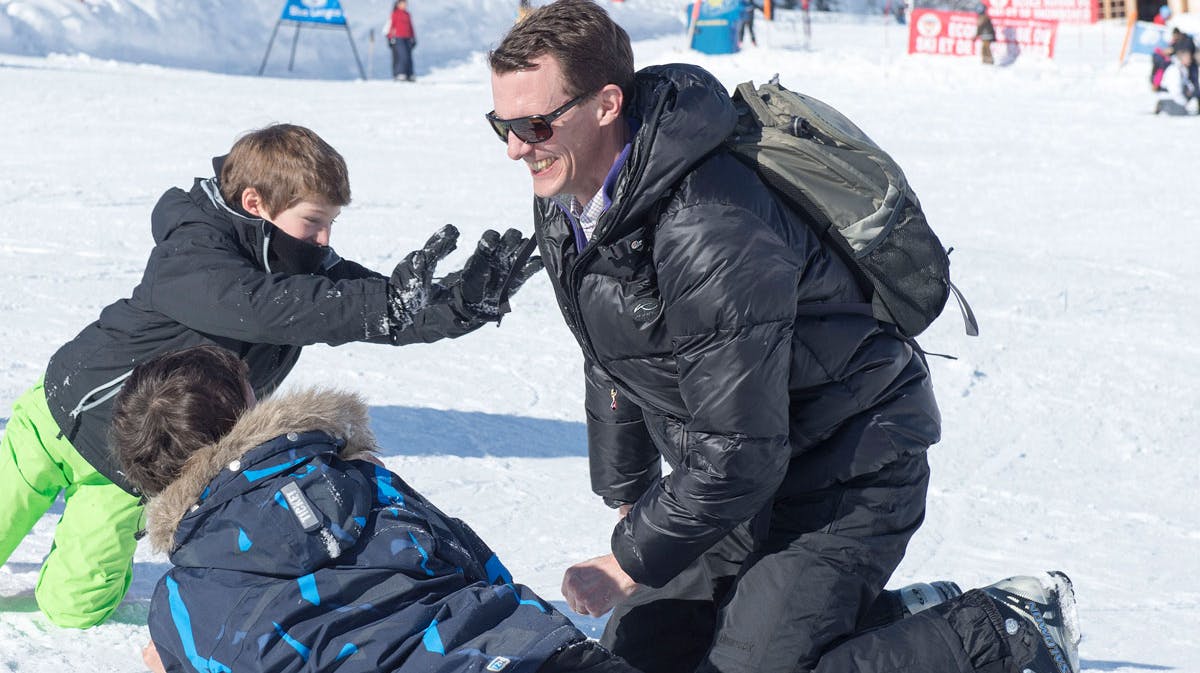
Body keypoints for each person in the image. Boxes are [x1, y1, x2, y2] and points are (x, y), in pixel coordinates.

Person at [485, 1, 1078, 672]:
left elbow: (742, 449)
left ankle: (1005, 628)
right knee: (635, 656)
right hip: (741, 480)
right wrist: (628, 486)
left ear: (606, 104)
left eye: (533, 124)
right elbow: (610, 347)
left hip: (846, 469)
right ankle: (888, 617)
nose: (515, 148)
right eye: (501, 124)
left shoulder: (709, 226)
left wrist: (629, 560)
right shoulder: (569, 198)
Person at [122, 345, 1079, 673]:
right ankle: (921, 623)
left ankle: (996, 633)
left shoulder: (183, 601)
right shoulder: (357, 480)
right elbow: (472, 565)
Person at [0, 123, 539, 628]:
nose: (325, 240)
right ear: (255, 203)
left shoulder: (297, 267)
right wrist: (382, 305)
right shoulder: (193, 248)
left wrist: (455, 306)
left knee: (75, 609)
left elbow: (365, 305)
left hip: (130, 470)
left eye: (331, 225)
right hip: (56, 419)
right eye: (314, 222)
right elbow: (263, 306)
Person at [387, 0, 417, 82]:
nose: (404, 5)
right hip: (398, 37)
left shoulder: (407, 14)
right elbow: (391, 26)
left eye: (405, 3)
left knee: (408, 56)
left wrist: (414, 38)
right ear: (398, 4)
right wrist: (390, 38)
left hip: (407, 37)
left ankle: (409, 74)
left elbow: (411, 27)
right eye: (403, 3)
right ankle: (400, 73)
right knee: (402, 56)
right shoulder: (395, 14)